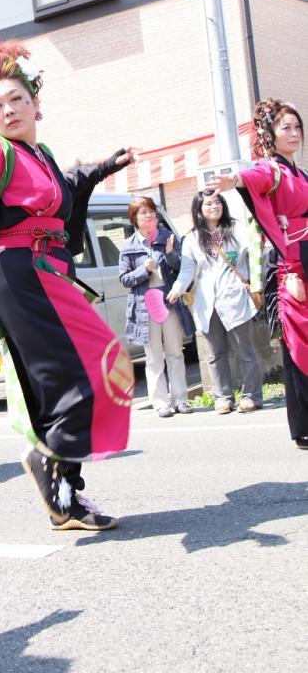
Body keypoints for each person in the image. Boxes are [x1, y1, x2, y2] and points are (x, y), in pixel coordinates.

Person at [0, 39, 135, 531]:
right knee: (81, 374)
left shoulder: (41, 153)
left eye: (17, 99)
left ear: (36, 102)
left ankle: (66, 497)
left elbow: (66, 192)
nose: (8, 109)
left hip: (50, 270)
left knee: (70, 379)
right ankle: (50, 460)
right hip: (20, 270)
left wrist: (101, 167)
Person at [209, 98, 308, 448]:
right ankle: (304, 426)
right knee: (299, 344)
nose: (294, 133)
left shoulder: (301, 172)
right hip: (290, 261)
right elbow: (253, 175)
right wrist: (235, 178)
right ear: (271, 133)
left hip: (305, 255)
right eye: (286, 128)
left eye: (297, 127)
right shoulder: (274, 169)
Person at [166, 191, 263, 414]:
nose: (214, 206)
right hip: (207, 302)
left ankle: (252, 396)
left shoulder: (237, 229)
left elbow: (257, 250)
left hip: (236, 298)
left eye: (217, 202)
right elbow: (188, 270)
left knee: (246, 350)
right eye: (208, 203)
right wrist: (177, 289)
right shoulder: (191, 238)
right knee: (216, 353)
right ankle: (223, 398)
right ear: (199, 209)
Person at [119, 196, 193, 418]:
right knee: (153, 357)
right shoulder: (129, 246)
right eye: (143, 212)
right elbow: (124, 279)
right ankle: (160, 402)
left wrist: (170, 254)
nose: (149, 215)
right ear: (134, 218)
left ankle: (181, 399)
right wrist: (144, 269)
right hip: (145, 307)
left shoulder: (168, 238)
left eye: (151, 211)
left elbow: (183, 267)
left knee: (175, 353)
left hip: (168, 302)